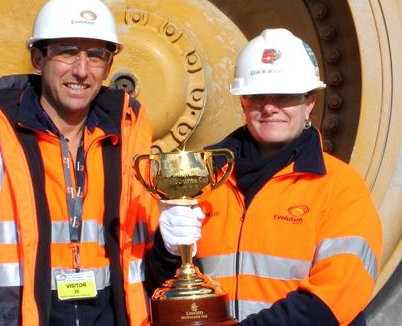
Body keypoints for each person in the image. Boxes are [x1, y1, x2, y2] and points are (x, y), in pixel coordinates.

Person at [0, 0, 157, 326]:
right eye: (67, 52)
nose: (82, 70)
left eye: (96, 55)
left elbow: (148, 254)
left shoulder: (128, 141)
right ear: (38, 58)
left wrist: (172, 245)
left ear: (108, 64)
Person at [148, 28, 383, 325]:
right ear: (242, 100)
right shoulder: (206, 178)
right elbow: (170, 292)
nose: (270, 107)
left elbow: (337, 295)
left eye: (284, 95)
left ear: (309, 101)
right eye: (257, 95)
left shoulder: (341, 187)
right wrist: (167, 251)